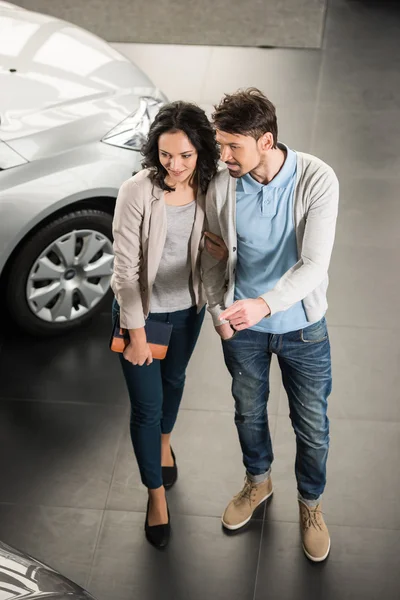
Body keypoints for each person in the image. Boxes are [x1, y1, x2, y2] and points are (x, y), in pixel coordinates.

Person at [201, 88, 339, 562]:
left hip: (302, 325)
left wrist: (264, 304)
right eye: (220, 145)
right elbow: (213, 256)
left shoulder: (317, 178)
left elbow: (314, 265)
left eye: (232, 146)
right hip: (243, 328)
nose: (223, 156)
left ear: (266, 140)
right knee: (248, 412)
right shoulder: (223, 184)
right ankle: (257, 483)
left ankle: (311, 505)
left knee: (313, 427)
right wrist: (218, 311)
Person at [111, 101, 226, 549]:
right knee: (146, 406)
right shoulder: (136, 191)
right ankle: (155, 496)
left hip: (187, 310)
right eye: (164, 155)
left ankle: (164, 444)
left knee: (174, 381)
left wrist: (219, 252)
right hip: (142, 315)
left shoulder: (212, 188)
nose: (174, 166)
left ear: (202, 153)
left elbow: (217, 242)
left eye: (185, 156)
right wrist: (135, 333)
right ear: (153, 152)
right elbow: (124, 271)